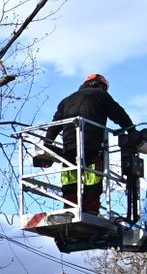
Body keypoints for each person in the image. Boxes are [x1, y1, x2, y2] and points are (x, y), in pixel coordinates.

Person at [43, 73, 135, 214]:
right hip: (92, 146)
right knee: (93, 178)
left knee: (69, 179)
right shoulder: (101, 96)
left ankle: (70, 209)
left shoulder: (66, 100)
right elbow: (119, 114)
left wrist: (47, 144)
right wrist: (132, 130)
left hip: (69, 148)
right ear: (101, 86)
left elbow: (55, 125)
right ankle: (90, 210)